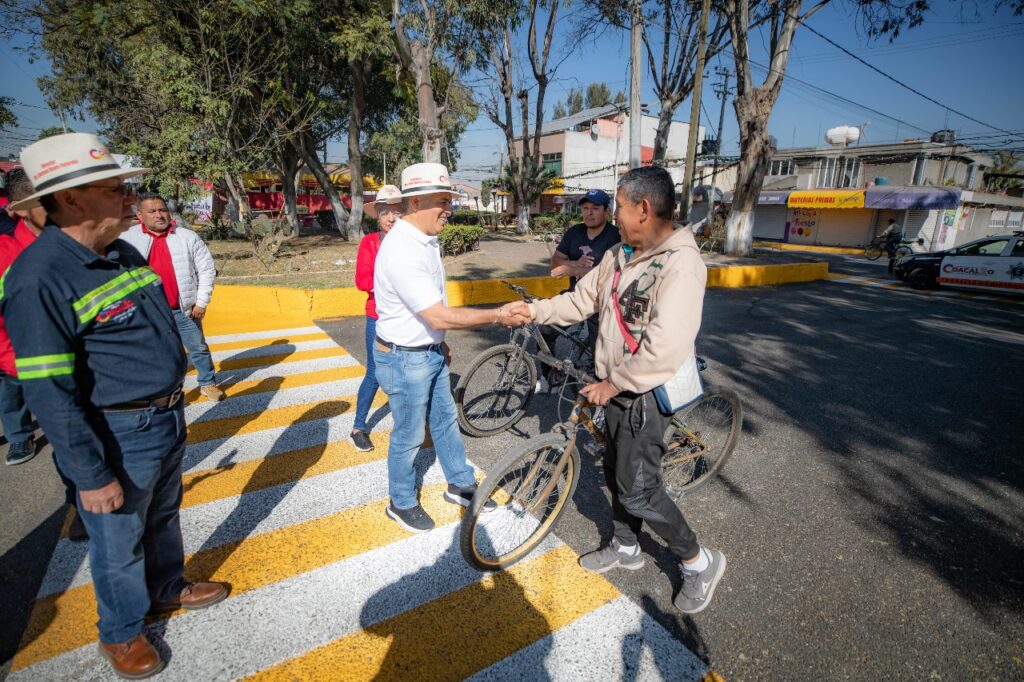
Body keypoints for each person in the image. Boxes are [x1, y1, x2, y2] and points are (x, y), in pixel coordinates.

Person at [0, 133, 227, 679]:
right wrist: (88, 473)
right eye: (116, 188)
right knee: (117, 537)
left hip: (164, 417)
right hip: (118, 430)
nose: (131, 196)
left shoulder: (122, 250)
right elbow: (48, 391)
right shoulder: (40, 277)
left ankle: (167, 587)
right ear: (72, 200)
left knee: (162, 516)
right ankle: (122, 632)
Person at [506, 166, 727, 615]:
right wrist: (534, 311)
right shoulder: (621, 253)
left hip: (644, 392)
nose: (615, 217)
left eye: (620, 207)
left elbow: (665, 347)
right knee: (615, 472)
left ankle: (698, 561)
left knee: (641, 489)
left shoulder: (682, 265)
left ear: (643, 209)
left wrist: (614, 383)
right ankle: (627, 546)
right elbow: (581, 299)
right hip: (614, 385)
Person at [373, 162, 525, 533]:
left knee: (444, 421)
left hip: (427, 353)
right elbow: (438, 315)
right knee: (409, 435)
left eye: (449, 200)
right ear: (415, 203)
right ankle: (401, 501)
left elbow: (431, 317)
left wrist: (438, 346)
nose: (449, 208)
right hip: (404, 359)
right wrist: (498, 315)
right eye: (442, 200)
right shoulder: (402, 250)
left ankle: (459, 483)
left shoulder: (424, 240)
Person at [121, 193, 224, 401]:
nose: (159, 215)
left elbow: (206, 270)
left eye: (162, 210)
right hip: (148, 312)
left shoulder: (187, 236)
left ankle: (208, 383)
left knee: (198, 347)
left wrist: (201, 302)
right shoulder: (127, 239)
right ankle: (166, 391)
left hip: (183, 309)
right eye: (152, 211)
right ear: (140, 215)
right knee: (156, 353)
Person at [538, 189, 620, 391]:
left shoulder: (615, 236)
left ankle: (600, 388)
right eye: (585, 208)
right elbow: (555, 264)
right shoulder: (574, 232)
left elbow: (617, 273)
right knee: (544, 328)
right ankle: (550, 377)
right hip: (575, 296)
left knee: (600, 350)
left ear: (607, 211)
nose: (589, 213)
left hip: (601, 302)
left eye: (595, 208)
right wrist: (575, 266)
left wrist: (580, 269)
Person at [351, 184, 403, 452]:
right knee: (374, 371)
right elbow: (362, 281)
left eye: (396, 212)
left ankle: (406, 424)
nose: (392, 218)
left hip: (406, 319)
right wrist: (396, 284)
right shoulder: (370, 242)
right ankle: (359, 426)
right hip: (378, 316)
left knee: (404, 369)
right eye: (385, 213)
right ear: (377, 216)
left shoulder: (410, 241)